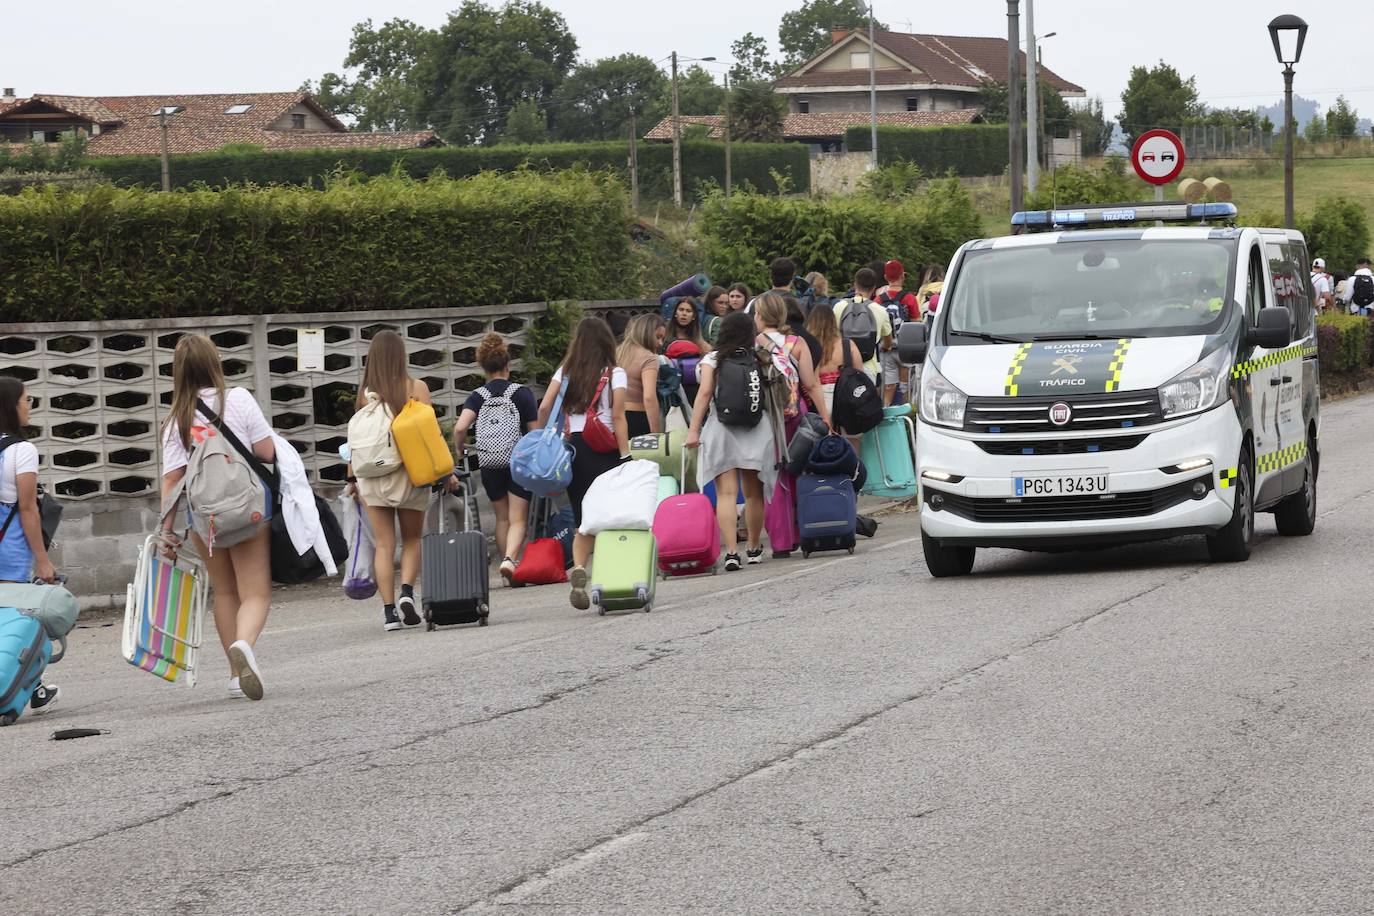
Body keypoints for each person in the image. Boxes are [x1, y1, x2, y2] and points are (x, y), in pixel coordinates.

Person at [158, 334, 275, 701]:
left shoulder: (176, 418)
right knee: (255, 591)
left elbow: (172, 481)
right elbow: (266, 452)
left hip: (203, 518)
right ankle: (245, 644)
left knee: (224, 591)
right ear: (214, 362)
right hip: (248, 509)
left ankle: (233, 673)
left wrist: (166, 531)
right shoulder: (237, 399)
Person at [536, 317, 630, 610]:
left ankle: (578, 567)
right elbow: (617, 416)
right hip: (604, 450)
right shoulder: (615, 373)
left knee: (582, 519)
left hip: (573, 450)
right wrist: (626, 455)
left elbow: (544, 406)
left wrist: (546, 436)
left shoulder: (565, 371)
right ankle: (606, 577)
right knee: (609, 516)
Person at [346, 330, 432, 633]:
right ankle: (407, 592)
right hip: (409, 476)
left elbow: (355, 443)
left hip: (371, 478)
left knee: (384, 544)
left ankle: (389, 613)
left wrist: (352, 479)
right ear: (401, 356)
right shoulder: (416, 388)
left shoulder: (365, 394)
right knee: (411, 539)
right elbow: (427, 437)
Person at [686, 311, 772, 571]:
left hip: (722, 429)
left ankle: (732, 552)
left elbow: (703, 395)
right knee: (753, 492)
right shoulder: (760, 357)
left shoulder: (712, 359)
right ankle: (755, 547)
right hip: (757, 428)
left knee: (726, 493)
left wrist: (693, 432)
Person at [451, 333, 539, 586]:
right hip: (518, 461)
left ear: (483, 368)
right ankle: (510, 560)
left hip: (490, 462)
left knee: (501, 518)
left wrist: (460, 451)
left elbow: (459, 428)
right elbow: (535, 432)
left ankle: (506, 565)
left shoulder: (477, 396)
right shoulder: (521, 394)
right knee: (518, 518)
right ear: (507, 365)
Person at [0, 376, 60, 715]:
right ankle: (21, 687)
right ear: (12, 406)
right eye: (26, 399)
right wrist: (42, 560)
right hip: (9, 551)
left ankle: (33, 686)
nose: (29, 405)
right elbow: (27, 509)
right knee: (14, 622)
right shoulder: (21, 451)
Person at [755, 292, 831, 559]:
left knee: (773, 476)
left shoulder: (754, 344)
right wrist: (825, 417)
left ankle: (781, 541)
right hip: (794, 413)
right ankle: (803, 532)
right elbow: (811, 384)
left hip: (767, 419)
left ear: (760, 316)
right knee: (798, 469)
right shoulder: (796, 343)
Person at [833, 267, 893, 384]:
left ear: (855, 284)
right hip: (868, 368)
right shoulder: (880, 310)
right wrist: (885, 347)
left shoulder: (839, 307)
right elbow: (888, 341)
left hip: (841, 364)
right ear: (874, 288)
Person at [804, 305, 864, 419]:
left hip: (818, 401)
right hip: (846, 399)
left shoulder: (807, 347)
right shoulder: (847, 345)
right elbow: (860, 374)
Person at [877, 260, 920, 405]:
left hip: (886, 348)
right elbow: (916, 324)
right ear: (903, 276)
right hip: (905, 350)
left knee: (888, 387)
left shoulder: (878, 300)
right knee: (905, 387)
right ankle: (907, 418)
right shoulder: (909, 298)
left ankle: (886, 415)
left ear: (885, 278)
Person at [618, 313, 666, 437]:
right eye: (658, 337)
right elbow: (649, 397)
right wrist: (656, 433)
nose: (660, 343)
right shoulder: (649, 358)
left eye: (662, 339)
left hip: (614, 418)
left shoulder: (617, 353)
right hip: (638, 418)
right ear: (647, 333)